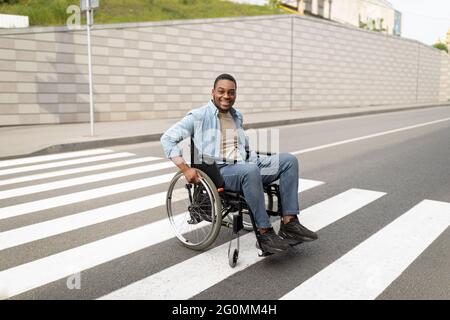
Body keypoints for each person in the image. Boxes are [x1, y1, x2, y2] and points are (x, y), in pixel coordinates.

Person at [160, 74, 318, 254]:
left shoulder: (237, 116)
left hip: (247, 163)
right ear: (213, 93)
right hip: (220, 170)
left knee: (289, 160)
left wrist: (254, 157)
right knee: (249, 170)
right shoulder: (198, 116)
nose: (226, 96)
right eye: (221, 91)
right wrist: (186, 169)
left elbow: (241, 146)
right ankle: (265, 233)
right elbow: (167, 139)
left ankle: (289, 222)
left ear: (235, 95)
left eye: (231, 92)